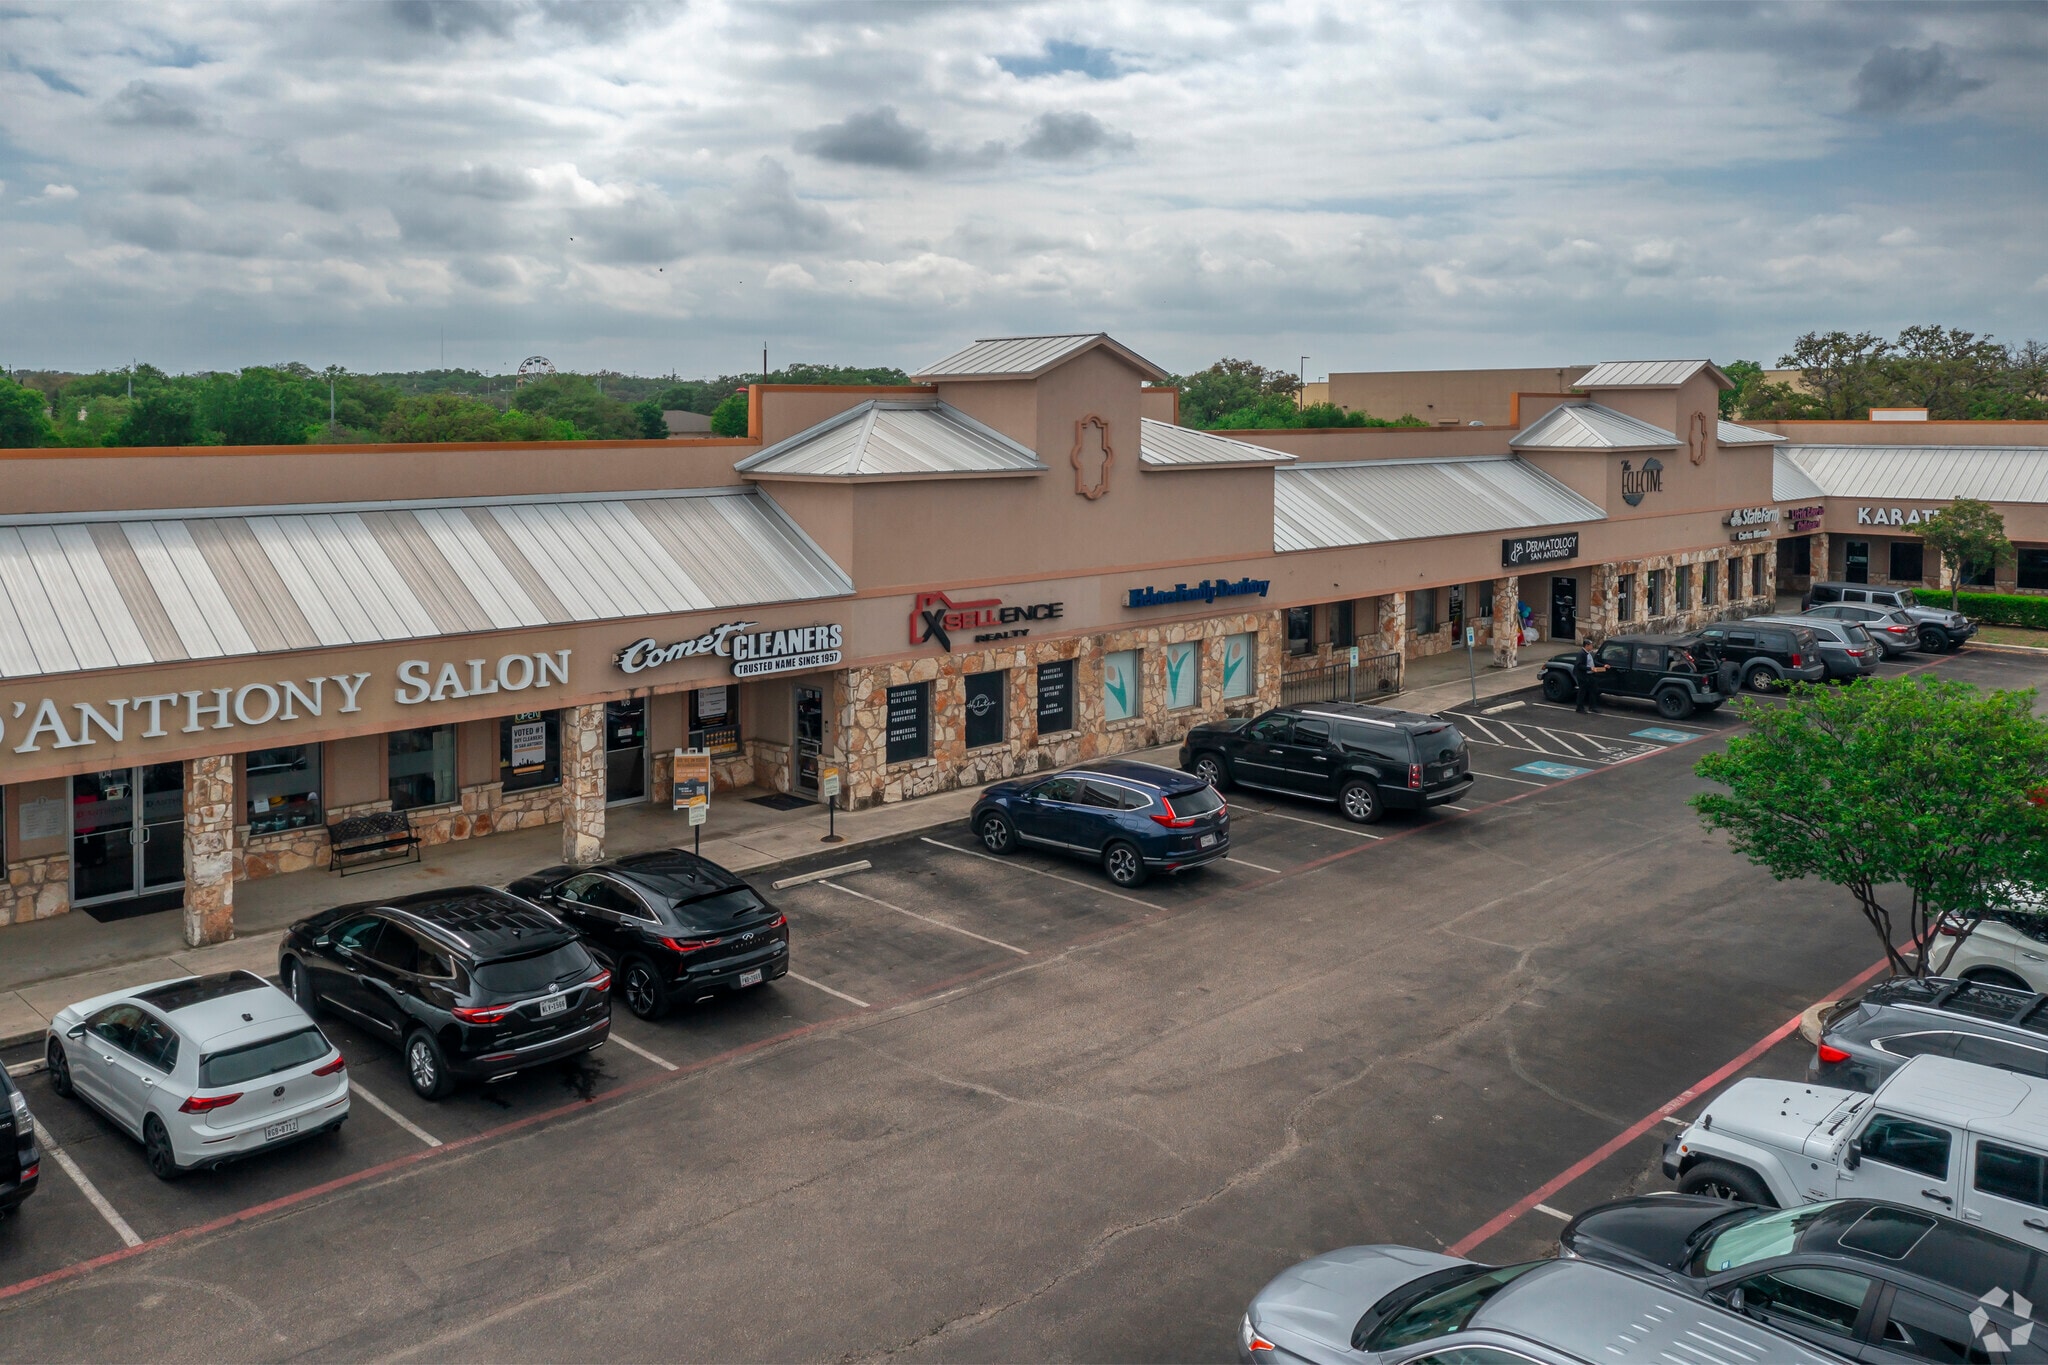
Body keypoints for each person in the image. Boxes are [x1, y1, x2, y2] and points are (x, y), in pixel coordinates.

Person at [1572, 636, 1606, 715]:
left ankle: (1593, 706)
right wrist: (1590, 669)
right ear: (1586, 646)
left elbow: (1593, 662)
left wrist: (1603, 665)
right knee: (1582, 692)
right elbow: (1579, 666)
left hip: (1590, 675)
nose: (1592, 647)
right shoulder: (1581, 654)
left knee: (1593, 691)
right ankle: (1579, 708)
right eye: (1591, 645)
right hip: (1583, 676)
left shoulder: (1588, 654)